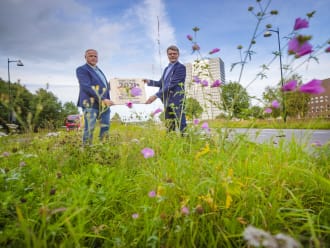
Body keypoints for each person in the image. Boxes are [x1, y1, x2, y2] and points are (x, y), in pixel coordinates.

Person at [144, 45, 187, 133]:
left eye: (174, 54)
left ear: (178, 55)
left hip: (177, 101)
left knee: (181, 124)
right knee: (169, 125)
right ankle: (171, 144)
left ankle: (186, 145)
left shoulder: (180, 67)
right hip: (167, 101)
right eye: (170, 54)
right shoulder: (166, 69)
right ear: (167, 55)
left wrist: (156, 95)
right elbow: (161, 83)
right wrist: (149, 81)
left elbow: (172, 84)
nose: (172, 55)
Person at [76, 49, 114, 145]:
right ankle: (87, 151)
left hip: (104, 105)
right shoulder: (82, 69)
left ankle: (103, 148)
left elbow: (103, 87)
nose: (93, 58)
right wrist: (103, 99)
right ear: (85, 57)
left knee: (106, 127)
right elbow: (86, 86)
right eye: (90, 56)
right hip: (90, 103)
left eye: (95, 56)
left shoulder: (99, 70)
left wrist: (113, 84)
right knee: (89, 128)